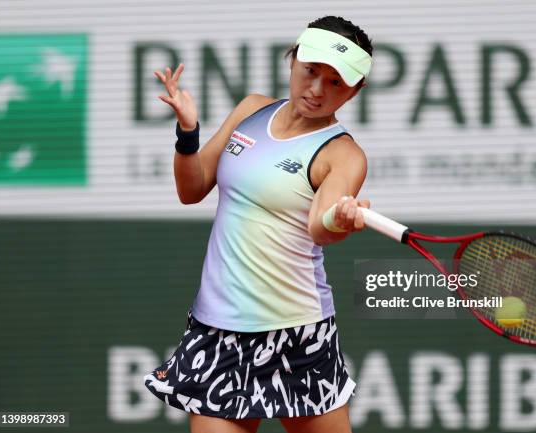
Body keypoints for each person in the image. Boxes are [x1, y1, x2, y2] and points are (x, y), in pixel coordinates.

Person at [144, 15, 373, 433]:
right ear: (293, 60)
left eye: (336, 82)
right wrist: (187, 131)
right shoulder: (251, 110)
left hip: (297, 335)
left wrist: (340, 219)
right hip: (218, 332)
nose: (318, 89)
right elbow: (192, 188)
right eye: (311, 71)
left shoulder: (344, 155)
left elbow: (320, 227)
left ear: (355, 90)